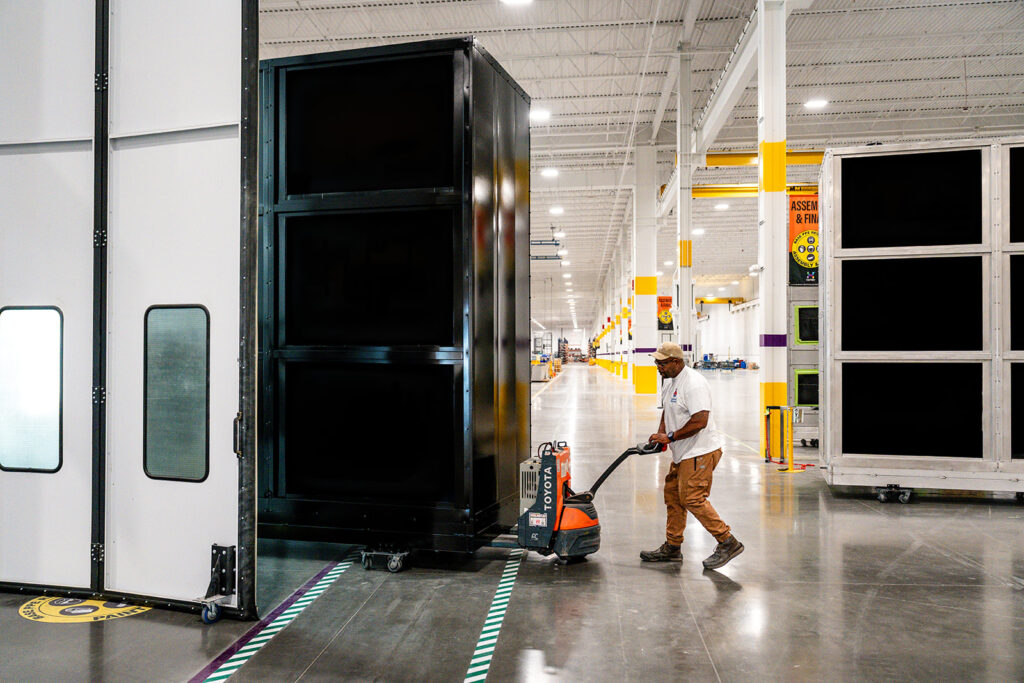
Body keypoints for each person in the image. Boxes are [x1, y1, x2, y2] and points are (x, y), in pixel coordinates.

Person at [640, 342, 744, 569]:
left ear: (676, 362)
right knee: (673, 496)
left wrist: (671, 437)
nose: (657, 366)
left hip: (700, 451)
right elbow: (667, 412)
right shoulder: (669, 382)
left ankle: (727, 541)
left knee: (692, 498)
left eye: (661, 362)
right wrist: (660, 434)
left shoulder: (694, 384)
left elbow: (700, 420)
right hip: (683, 451)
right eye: (656, 362)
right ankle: (673, 547)